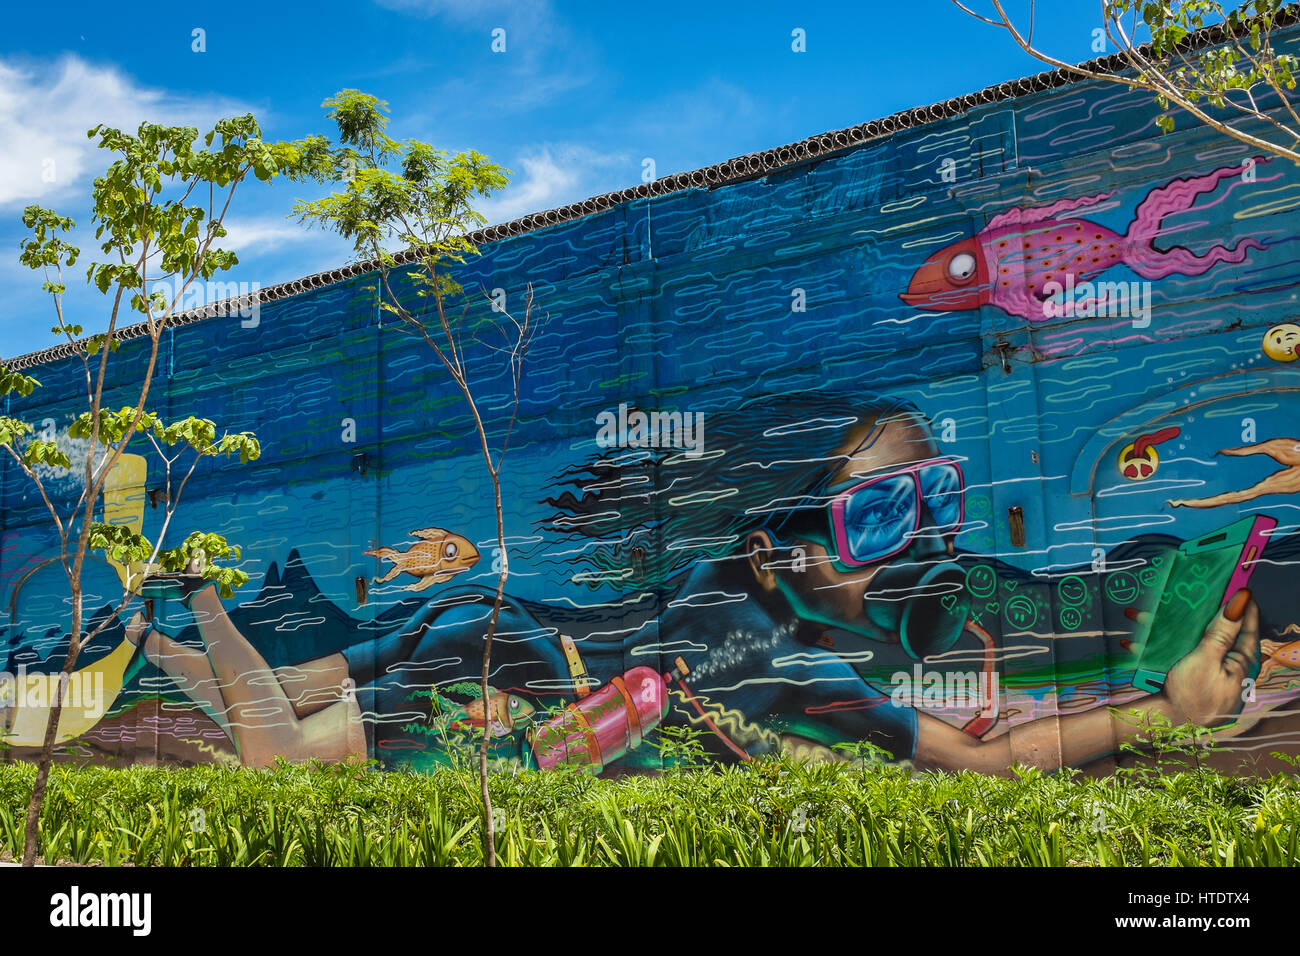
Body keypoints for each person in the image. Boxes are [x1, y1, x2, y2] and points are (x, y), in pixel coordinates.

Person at [131, 392, 1262, 773]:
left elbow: (1020, 666)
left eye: (940, 496)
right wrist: (1161, 705)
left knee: (281, 699)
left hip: (488, 624)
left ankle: (183, 624)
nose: (919, 537)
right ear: (778, 543)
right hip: (486, 648)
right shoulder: (766, 645)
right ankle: (196, 610)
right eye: (878, 510)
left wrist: (1176, 657)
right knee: (279, 746)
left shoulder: (850, 614)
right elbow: (975, 757)